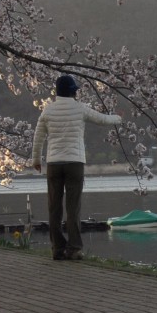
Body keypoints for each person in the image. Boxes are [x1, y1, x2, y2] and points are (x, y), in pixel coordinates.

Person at [30, 75, 122, 261]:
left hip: (54, 164)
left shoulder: (47, 111)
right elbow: (102, 119)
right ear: (73, 91)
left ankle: (57, 248)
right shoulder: (79, 108)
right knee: (73, 208)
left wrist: (36, 160)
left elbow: (38, 137)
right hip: (74, 163)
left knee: (54, 208)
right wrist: (118, 118)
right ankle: (74, 249)